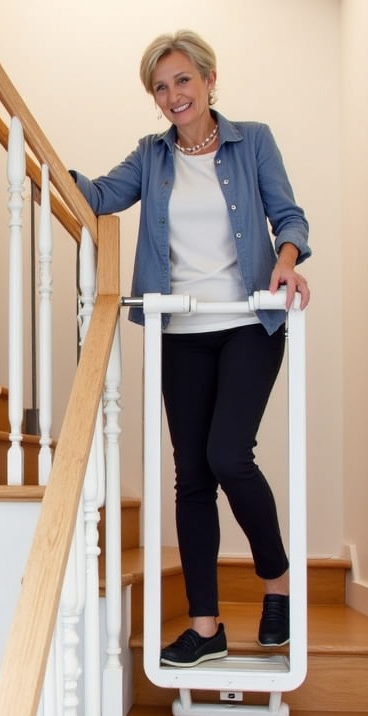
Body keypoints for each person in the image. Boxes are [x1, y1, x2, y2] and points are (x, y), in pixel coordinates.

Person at [70, 30, 311, 667]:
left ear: (208, 80)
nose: (173, 95)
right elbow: (98, 197)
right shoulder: (152, 157)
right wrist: (43, 163)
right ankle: (206, 626)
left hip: (248, 322)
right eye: (160, 86)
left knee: (229, 456)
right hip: (182, 330)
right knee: (192, 477)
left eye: (182, 80)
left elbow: (289, 216)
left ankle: (278, 583)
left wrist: (286, 262)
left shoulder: (252, 139)